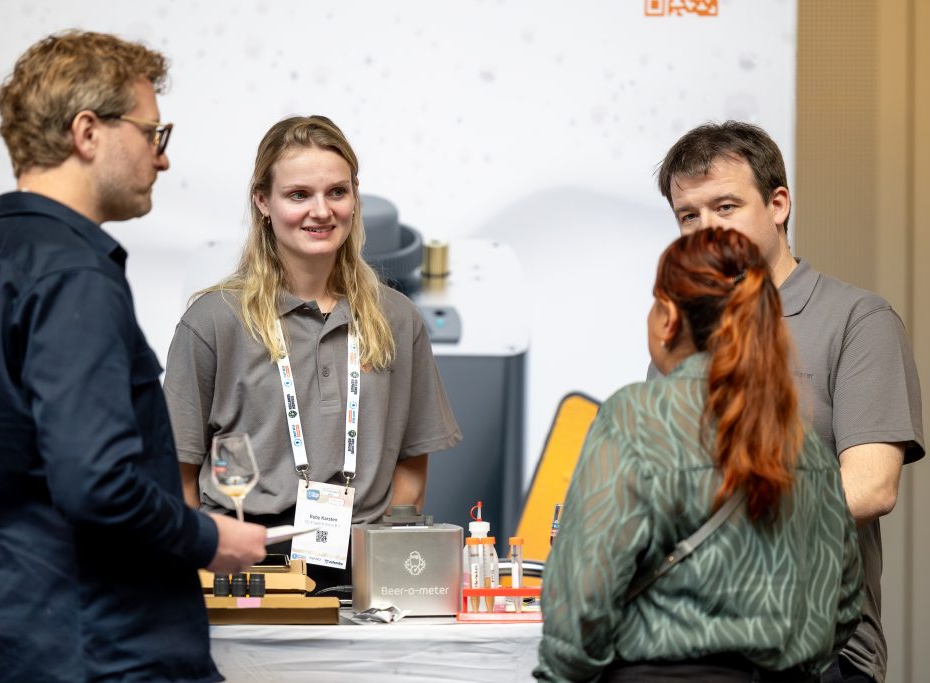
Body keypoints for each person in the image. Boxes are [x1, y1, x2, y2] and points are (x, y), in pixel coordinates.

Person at [0, 30, 267, 683]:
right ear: (87, 132)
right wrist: (208, 538)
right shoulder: (76, 276)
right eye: (153, 133)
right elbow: (95, 481)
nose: (162, 160)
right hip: (108, 657)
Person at [656, 121, 924, 683]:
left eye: (725, 206)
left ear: (778, 204)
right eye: (689, 216)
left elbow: (871, 486)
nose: (706, 230)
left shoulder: (857, 320)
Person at [536, 227, 862, 682]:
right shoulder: (801, 440)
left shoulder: (635, 418)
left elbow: (583, 598)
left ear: (667, 318)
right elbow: (844, 602)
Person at [163, 115, 461, 592]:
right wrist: (202, 571)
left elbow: (411, 461)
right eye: (299, 195)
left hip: (362, 565)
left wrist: (375, 557)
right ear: (263, 201)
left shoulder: (397, 319)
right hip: (245, 565)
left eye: (337, 192)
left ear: (355, 197)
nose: (321, 212)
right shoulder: (212, 321)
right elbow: (177, 473)